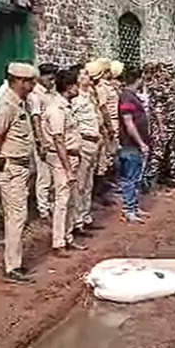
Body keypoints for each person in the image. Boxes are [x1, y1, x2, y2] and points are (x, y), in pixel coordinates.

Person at [0, 63, 38, 283]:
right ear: (19, 81)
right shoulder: (6, 105)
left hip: (20, 166)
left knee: (18, 215)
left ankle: (14, 261)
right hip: (11, 167)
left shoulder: (20, 103)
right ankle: (12, 266)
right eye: (29, 82)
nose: (32, 86)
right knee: (16, 216)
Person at [41, 68, 86, 256]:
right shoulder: (56, 109)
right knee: (62, 200)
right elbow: (58, 140)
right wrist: (68, 169)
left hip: (70, 156)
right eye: (76, 84)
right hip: (62, 159)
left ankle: (67, 237)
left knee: (69, 200)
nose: (78, 88)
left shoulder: (66, 106)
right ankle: (58, 242)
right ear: (69, 87)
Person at [71, 62, 104, 234]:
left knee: (88, 183)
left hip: (93, 142)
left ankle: (85, 216)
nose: (88, 77)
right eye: (83, 74)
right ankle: (77, 221)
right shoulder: (75, 98)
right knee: (80, 184)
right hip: (83, 141)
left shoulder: (90, 95)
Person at [117, 68, 151, 223]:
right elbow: (129, 123)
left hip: (134, 144)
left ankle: (134, 206)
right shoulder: (126, 98)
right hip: (130, 145)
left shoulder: (131, 96)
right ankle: (129, 209)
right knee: (130, 178)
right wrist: (141, 142)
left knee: (136, 177)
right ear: (139, 79)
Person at [31, 63, 57, 220]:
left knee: (53, 176)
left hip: (53, 139)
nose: (52, 82)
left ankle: (51, 206)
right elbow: (36, 119)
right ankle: (43, 210)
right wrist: (40, 142)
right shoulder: (35, 95)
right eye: (49, 78)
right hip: (44, 141)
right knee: (44, 177)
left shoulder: (50, 94)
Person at [92, 59, 120, 196]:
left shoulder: (107, 86)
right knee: (106, 158)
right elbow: (103, 108)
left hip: (112, 122)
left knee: (110, 157)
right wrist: (109, 127)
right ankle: (101, 192)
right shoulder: (102, 88)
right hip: (109, 123)